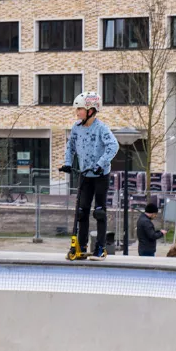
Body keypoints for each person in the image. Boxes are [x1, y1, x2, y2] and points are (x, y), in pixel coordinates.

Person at [59, 92, 118, 261]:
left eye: (80, 109)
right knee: (81, 211)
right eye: (77, 110)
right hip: (85, 175)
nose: (77, 113)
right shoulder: (76, 128)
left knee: (99, 211)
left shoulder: (101, 128)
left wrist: (101, 163)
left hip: (100, 175)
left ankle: (100, 248)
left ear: (91, 110)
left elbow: (113, 146)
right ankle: (82, 246)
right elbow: (70, 147)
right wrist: (68, 163)